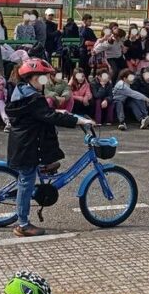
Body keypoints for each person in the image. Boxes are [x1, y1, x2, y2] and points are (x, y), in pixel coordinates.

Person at [6, 58, 95, 237]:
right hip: (26, 146)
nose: (46, 82)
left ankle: (46, 167)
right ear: (33, 78)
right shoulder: (32, 97)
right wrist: (78, 120)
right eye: (44, 78)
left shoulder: (23, 92)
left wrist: (61, 112)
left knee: (33, 174)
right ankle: (23, 225)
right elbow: (46, 114)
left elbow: (43, 114)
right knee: (26, 182)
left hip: (27, 143)